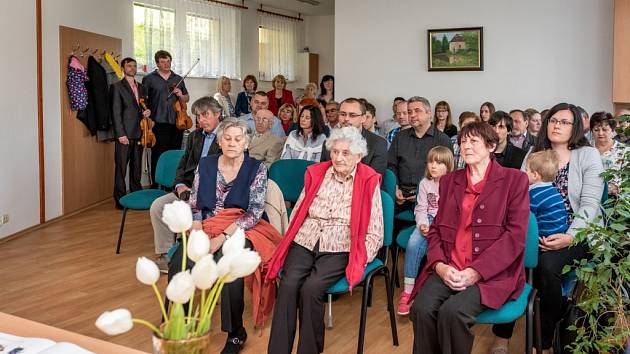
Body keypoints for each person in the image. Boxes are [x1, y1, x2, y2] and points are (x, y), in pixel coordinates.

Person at [491, 103, 604, 354]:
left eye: (564, 122)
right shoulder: (534, 151)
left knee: (547, 267)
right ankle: (502, 336)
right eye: (553, 120)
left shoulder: (588, 155)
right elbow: (519, 194)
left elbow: (589, 204)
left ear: (575, 127)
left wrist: (570, 236)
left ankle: (542, 341)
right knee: (509, 262)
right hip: (535, 230)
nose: (556, 125)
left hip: (578, 233)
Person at [410, 122, 530, 354]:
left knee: (452, 313)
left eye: (473, 141)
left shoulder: (514, 180)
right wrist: (440, 266)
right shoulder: (449, 181)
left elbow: (514, 237)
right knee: (421, 309)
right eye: (463, 141)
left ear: (491, 146)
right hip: (450, 265)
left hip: (491, 274)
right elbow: (435, 231)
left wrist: (476, 272)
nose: (466, 146)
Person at [168, 118, 282, 354]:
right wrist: (198, 230)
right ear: (220, 141)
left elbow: (254, 212)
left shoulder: (257, 169)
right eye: (227, 138)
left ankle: (235, 332)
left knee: (228, 267)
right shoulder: (206, 164)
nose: (232, 143)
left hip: (241, 227)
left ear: (246, 142)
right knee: (180, 262)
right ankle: (184, 323)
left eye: (238, 139)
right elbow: (195, 203)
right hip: (207, 225)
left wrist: (220, 238)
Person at [266, 127, 384, 354]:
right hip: (306, 240)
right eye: (335, 152)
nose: (339, 158)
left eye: (346, 153)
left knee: (311, 289)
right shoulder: (317, 173)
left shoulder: (368, 180)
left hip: (340, 245)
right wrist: (289, 241)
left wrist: (360, 258)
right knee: (289, 285)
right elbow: (299, 211)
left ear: (358, 156)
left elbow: (375, 229)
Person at [149, 96, 222, 271]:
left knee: (193, 213)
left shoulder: (227, 136)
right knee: (158, 206)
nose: (201, 120)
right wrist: (180, 184)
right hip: (187, 188)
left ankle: (193, 258)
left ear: (218, 114)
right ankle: (167, 254)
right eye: (198, 116)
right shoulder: (195, 136)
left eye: (205, 115)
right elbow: (183, 164)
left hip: (211, 194)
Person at [397, 146, 454, 316]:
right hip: (428, 219)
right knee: (414, 243)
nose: (433, 166)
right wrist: (422, 224)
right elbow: (421, 208)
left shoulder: (453, 183)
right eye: (430, 162)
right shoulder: (425, 183)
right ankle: (408, 291)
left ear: (448, 166)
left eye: (438, 163)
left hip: (445, 222)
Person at [388, 96, 452, 211]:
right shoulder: (400, 137)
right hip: (401, 197)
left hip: (431, 200)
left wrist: (422, 192)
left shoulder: (443, 140)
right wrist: (395, 187)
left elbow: (449, 173)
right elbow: (391, 165)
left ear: (429, 114)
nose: (412, 115)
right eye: (409, 112)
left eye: (417, 111)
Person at [142, 50, 190, 183]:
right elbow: (143, 100)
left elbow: (186, 98)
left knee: (174, 155)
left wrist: (180, 94)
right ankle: (156, 186)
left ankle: (172, 184)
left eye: (168, 61)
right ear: (157, 63)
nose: (166, 64)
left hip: (177, 122)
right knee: (158, 154)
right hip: (158, 122)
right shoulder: (149, 79)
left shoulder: (178, 79)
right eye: (163, 62)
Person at [110, 57, 151, 208]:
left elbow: (144, 107)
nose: (132, 68)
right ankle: (120, 200)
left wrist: (147, 111)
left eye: (134, 66)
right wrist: (120, 134)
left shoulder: (142, 87)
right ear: (122, 68)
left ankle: (136, 196)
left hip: (140, 132)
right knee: (121, 168)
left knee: (136, 168)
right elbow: (115, 112)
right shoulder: (117, 87)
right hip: (124, 134)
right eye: (129, 66)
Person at [319, 98, 388, 176]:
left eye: (352, 115)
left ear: (363, 118)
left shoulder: (378, 143)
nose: (346, 119)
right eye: (343, 114)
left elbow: (373, 179)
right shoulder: (329, 142)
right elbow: (323, 173)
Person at [525, 150, 569, 236]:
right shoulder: (553, 190)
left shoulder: (534, 195)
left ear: (535, 175)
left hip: (543, 237)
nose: (524, 173)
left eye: (527, 170)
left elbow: (525, 216)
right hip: (560, 233)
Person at [591, 111, 628, 195]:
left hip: (616, 200)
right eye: (596, 130)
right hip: (589, 195)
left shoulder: (624, 150)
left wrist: (615, 187)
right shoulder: (585, 149)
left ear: (612, 129)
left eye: (605, 129)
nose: (600, 133)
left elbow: (627, 178)